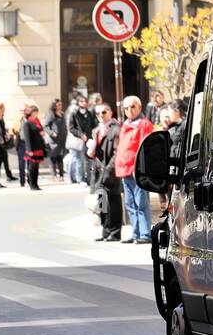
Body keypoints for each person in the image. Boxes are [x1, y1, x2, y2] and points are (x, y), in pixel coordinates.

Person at [114, 95, 154, 244]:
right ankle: (136, 233)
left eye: (132, 107)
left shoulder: (144, 124)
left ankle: (145, 234)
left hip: (136, 170)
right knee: (130, 204)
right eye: (126, 108)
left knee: (141, 202)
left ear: (139, 108)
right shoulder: (125, 125)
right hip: (124, 170)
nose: (129, 110)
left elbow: (144, 148)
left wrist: (138, 167)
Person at [88, 103, 123, 241]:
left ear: (110, 113)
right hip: (98, 171)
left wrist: (109, 170)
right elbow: (95, 151)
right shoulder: (96, 130)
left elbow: (116, 153)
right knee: (102, 202)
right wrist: (90, 152)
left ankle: (115, 232)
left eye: (103, 112)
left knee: (113, 202)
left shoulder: (116, 129)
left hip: (110, 171)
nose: (101, 115)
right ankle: (105, 230)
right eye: (97, 113)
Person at [64, 94, 95, 184]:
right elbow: (71, 128)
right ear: (78, 102)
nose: (84, 103)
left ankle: (89, 179)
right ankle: (80, 179)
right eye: (81, 101)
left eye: (85, 101)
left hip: (88, 140)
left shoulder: (89, 113)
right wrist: (80, 135)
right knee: (79, 160)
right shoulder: (74, 113)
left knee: (89, 160)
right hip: (78, 140)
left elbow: (93, 125)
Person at [20, 103, 47, 190]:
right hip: (32, 148)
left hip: (38, 147)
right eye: (34, 112)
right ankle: (32, 184)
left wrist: (42, 133)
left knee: (36, 167)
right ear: (31, 113)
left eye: (37, 112)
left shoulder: (37, 122)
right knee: (31, 167)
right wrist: (29, 150)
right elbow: (27, 137)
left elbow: (40, 132)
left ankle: (36, 184)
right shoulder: (27, 123)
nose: (36, 114)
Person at [43, 98, 67, 179]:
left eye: (61, 104)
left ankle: (61, 175)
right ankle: (54, 175)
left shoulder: (62, 114)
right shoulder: (50, 114)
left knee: (60, 157)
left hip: (62, 139)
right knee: (53, 157)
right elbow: (45, 126)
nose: (60, 106)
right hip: (53, 140)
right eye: (58, 105)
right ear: (54, 106)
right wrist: (52, 133)